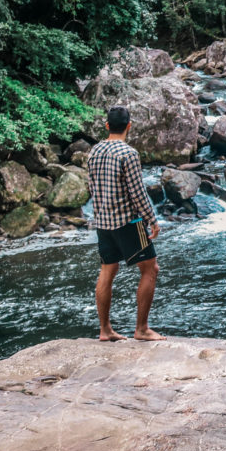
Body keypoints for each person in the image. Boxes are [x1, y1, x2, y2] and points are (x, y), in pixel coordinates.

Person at [85, 105, 164, 342]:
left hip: (103, 222)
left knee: (107, 271)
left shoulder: (93, 152)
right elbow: (137, 192)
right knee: (151, 268)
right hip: (128, 222)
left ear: (107, 125)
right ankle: (141, 329)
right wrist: (152, 220)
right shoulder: (129, 154)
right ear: (129, 126)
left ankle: (105, 330)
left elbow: (92, 187)